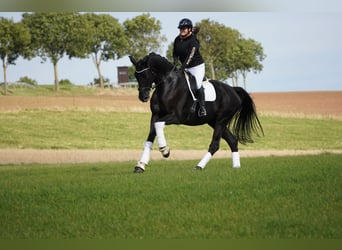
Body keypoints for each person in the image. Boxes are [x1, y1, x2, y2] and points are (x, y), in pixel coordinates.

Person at [172, 18, 207, 117]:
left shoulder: (193, 41)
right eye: (181, 28)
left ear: (190, 29)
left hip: (197, 67)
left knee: (197, 85)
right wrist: (174, 64)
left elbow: (189, 57)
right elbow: (175, 53)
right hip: (185, 67)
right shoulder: (177, 39)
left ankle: (202, 108)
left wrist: (182, 69)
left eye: (184, 28)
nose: (182, 30)